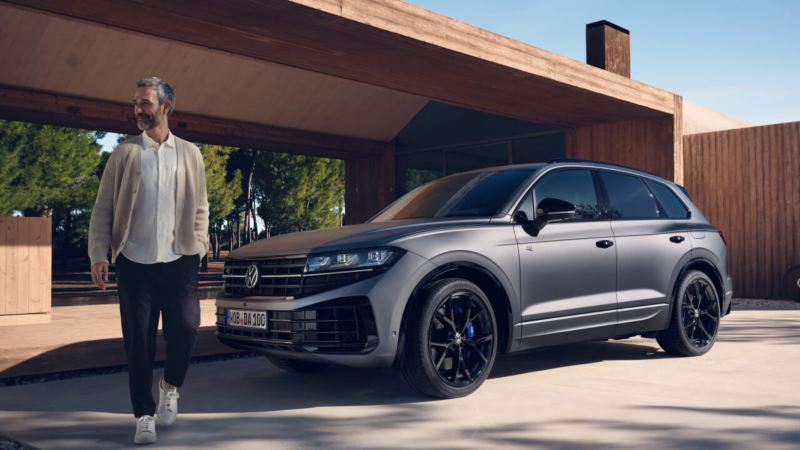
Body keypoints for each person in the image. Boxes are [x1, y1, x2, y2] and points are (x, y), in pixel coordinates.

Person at [88, 77, 209, 445]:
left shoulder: (190, 154)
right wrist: (99, 253)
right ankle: (143, 413)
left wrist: (200, 247)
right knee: (138, 342)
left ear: (166, 108)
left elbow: (201, 207)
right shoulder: (125, 154)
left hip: (180, 260)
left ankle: (170, 385)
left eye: (144, 103)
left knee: (186, 330)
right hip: (135, 263)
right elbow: (103, 208)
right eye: (136, 103)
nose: (137, 110)